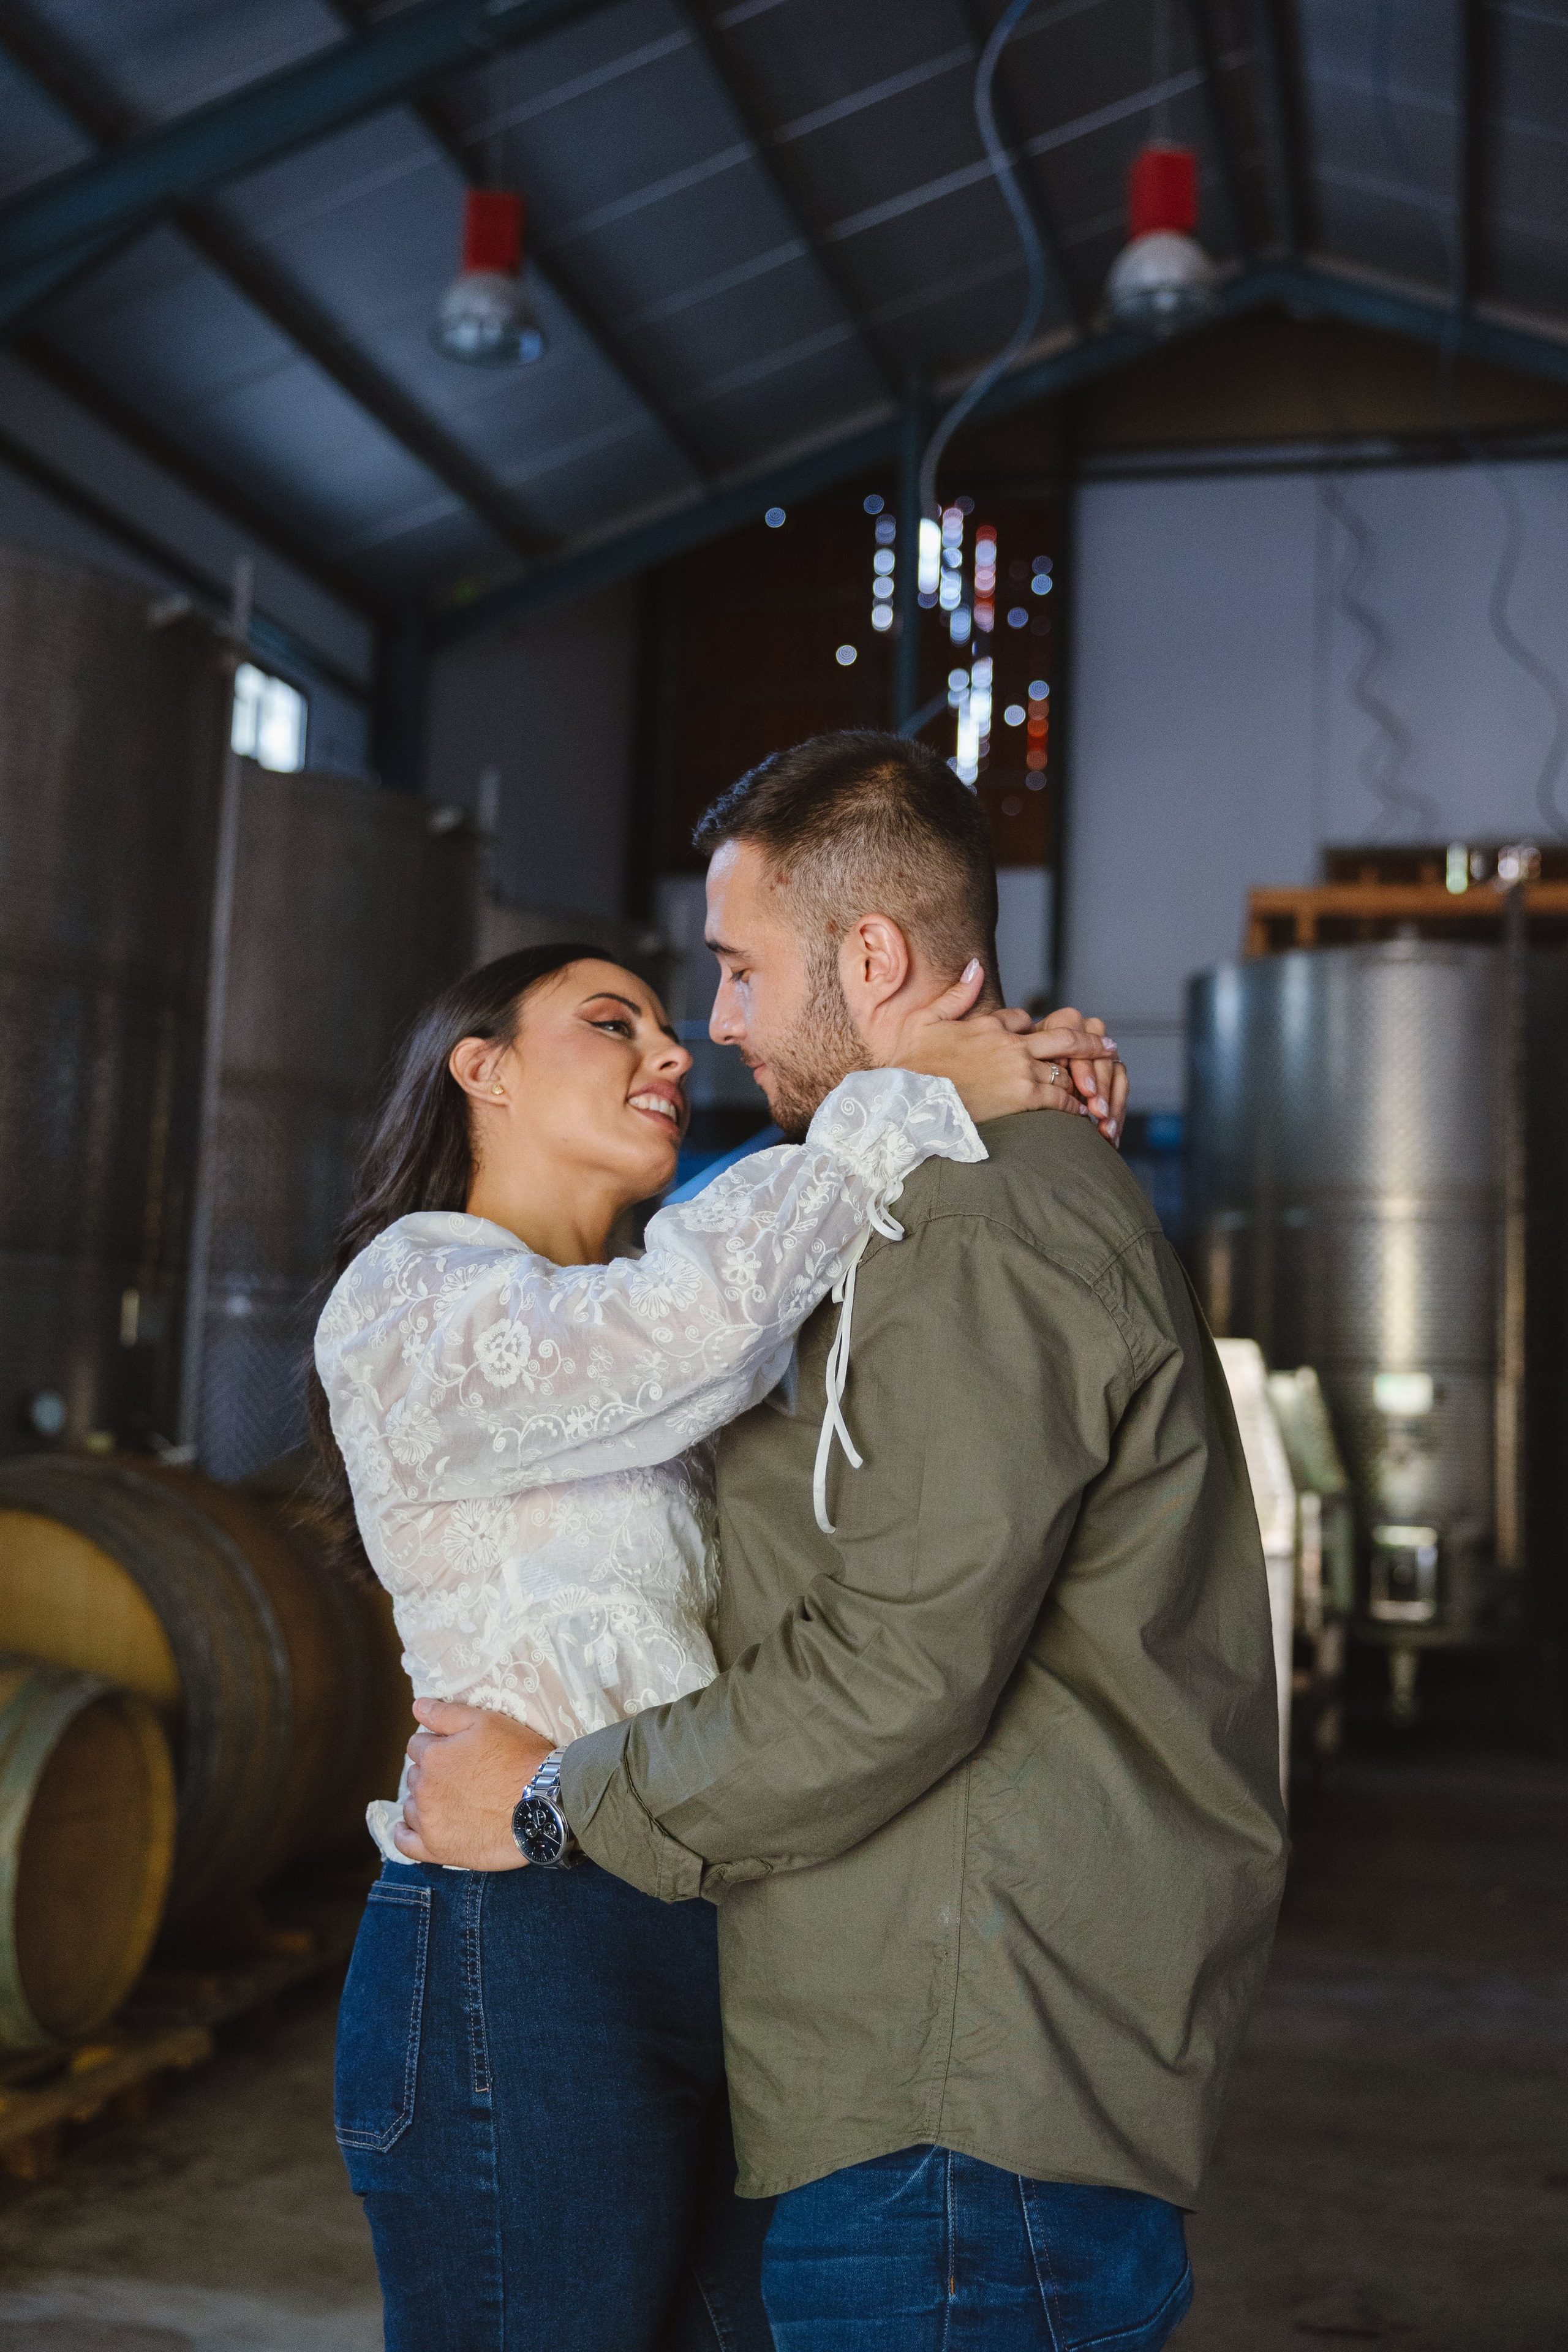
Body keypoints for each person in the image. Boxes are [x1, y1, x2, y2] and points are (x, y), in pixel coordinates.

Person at [401, 731, 1289, 2352]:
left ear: (872, 957)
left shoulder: (966, 1224)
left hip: (959, 2093)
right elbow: (706, 1294)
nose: (715, 1024)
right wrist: (944, 1090)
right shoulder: (911, 1204)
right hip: (928, 2067)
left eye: (739, 970)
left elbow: (897, 1665)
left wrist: (547, 1797)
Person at [312, 922, 1121, 2352]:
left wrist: (1014, 1100)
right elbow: (679, 1323)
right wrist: (911, 1083)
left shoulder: (670, 1312)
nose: (676, 1048)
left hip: (712, 1916)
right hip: (520, 1944)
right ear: (479, 1070)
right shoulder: (406, 1296)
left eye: (667, 1027)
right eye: (612, 1022)